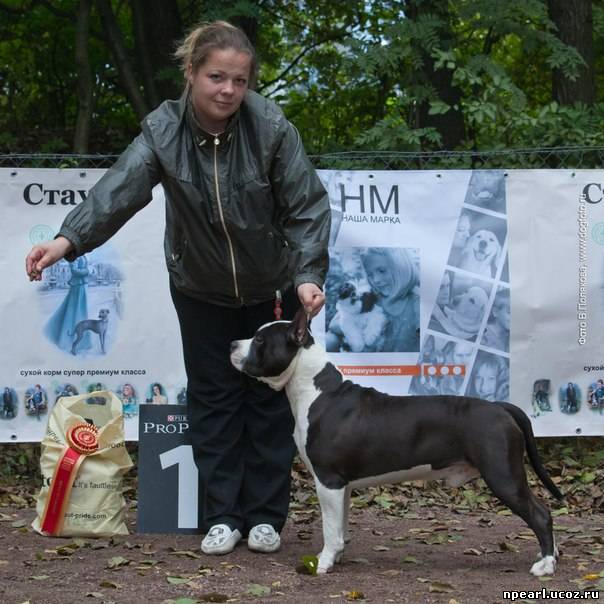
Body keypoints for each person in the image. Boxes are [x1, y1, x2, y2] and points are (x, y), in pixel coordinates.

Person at [25, 21, 330, 557]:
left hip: (270, 290)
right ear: (191, 74)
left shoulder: (273, 127)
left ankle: (264, 517)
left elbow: (306, 206)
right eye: (216, 77)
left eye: (239, 80)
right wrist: (67, 241)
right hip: (200, 290)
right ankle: (222, 517)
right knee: (212, 403)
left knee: (267, 408)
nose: (228, 91)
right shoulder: (163, 131)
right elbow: (119, 189)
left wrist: (306, 275)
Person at [359, 248, 420, 351]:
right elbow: (336, 325)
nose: (376, 280)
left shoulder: (416, 303)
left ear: (402, 267)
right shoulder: (372, 299)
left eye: (382, 271)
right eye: (370, 275)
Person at [44, 255, 91, 353]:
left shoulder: (82, 255)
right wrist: (86, 271)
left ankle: (83, 342)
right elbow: (75, 271)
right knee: (74, 309)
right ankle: (67, 340)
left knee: (80, 310)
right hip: (76, 285)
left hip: (81, 285)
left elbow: (83, 268)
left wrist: (86, 270)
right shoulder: (73, 256)